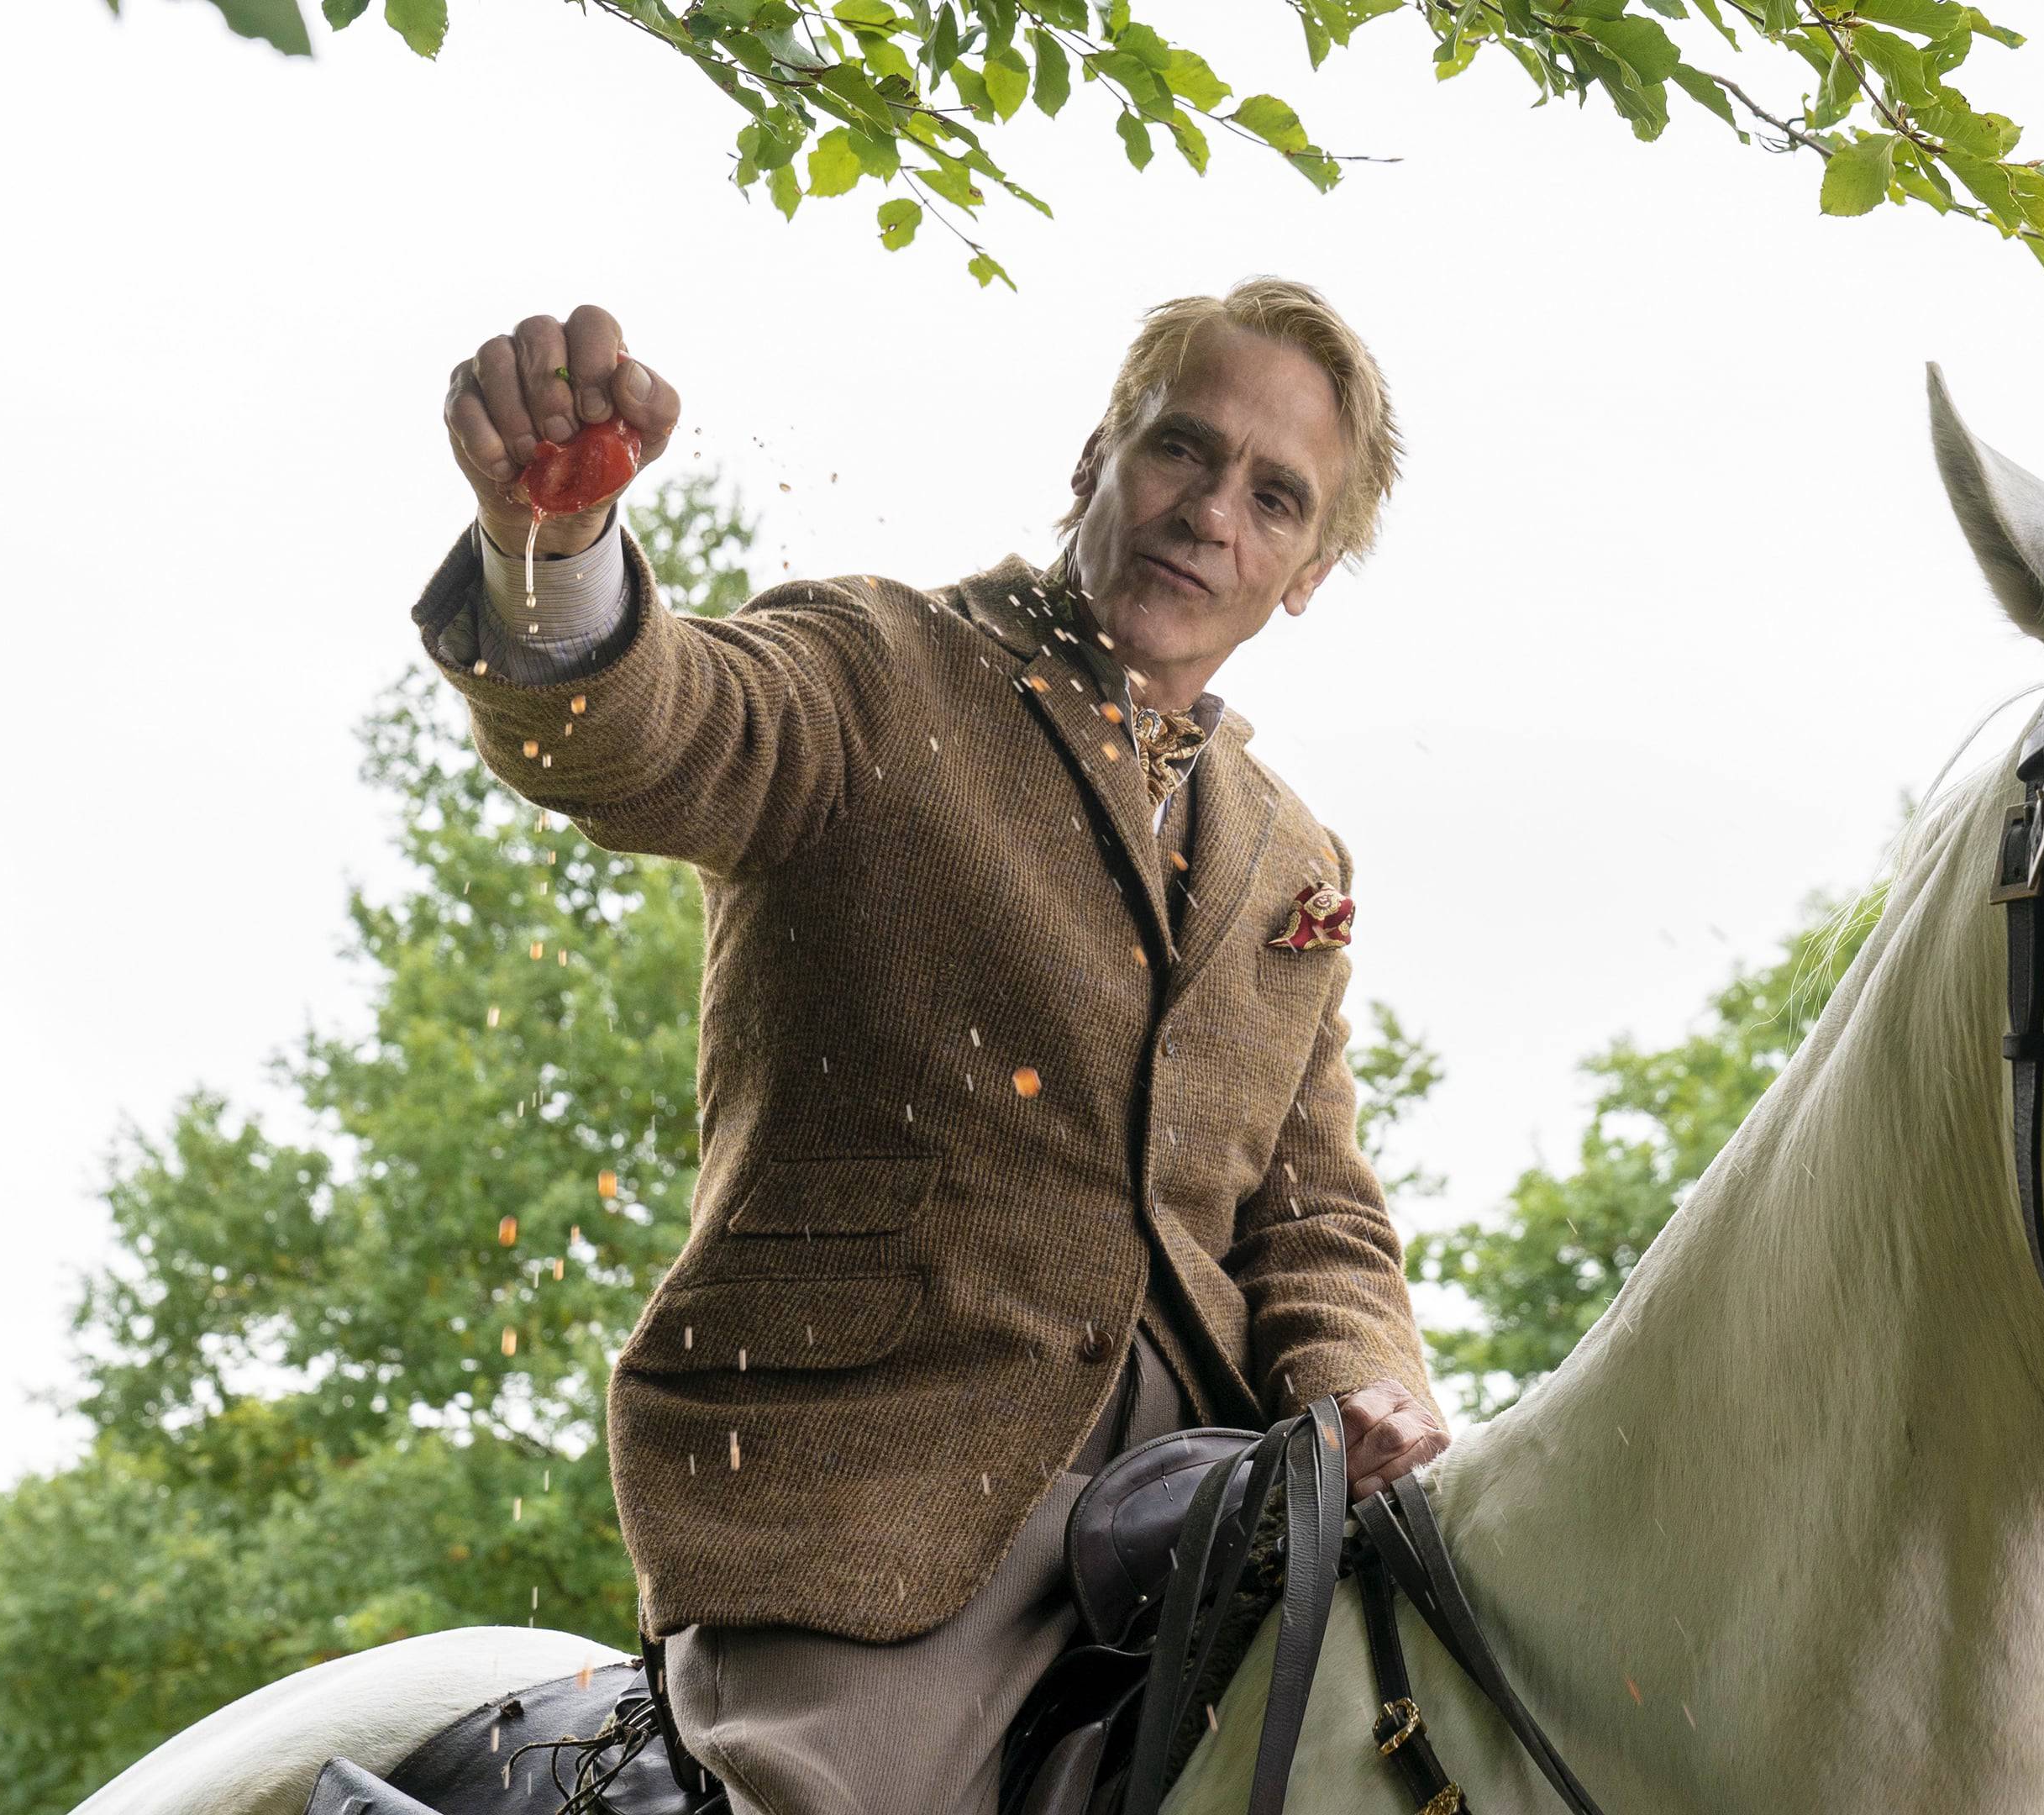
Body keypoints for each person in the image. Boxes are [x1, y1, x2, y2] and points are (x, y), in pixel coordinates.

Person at [418, 279, 1451, 1815]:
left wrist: (1371, 1387)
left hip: (1216, 1533)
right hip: (876, 1496)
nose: (1212, 511)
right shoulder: (875, 663)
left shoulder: (1297, 858)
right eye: (1184, 448)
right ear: (1098, 458)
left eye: (1275, 497)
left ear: (1302, 572)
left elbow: (1312, 1215)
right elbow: (657, 731)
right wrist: (552, 548)